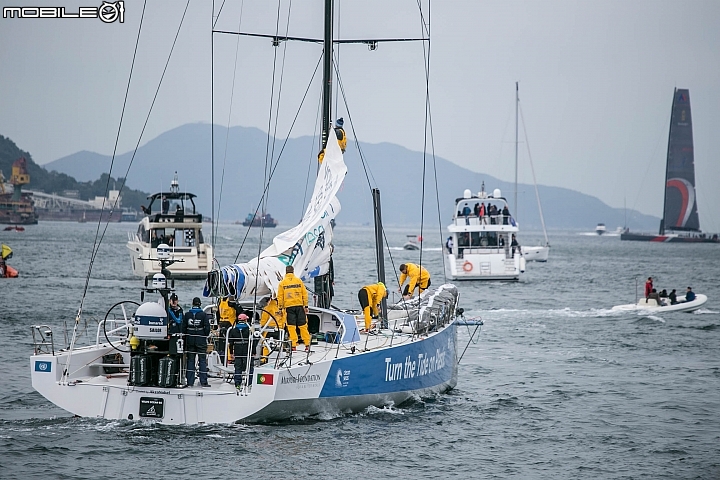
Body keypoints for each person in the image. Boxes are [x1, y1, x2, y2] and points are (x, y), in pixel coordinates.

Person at [277, 266, 311, 352]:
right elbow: (305, 294)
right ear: (293, 271)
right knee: (303, 325)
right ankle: (307, 344)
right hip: (299, 306)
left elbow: (280, 297)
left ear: (286, 272)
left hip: (289, 307)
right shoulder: (299, 281)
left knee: (291, 327)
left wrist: (280, 308)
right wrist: (306, 306)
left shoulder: (282, 283)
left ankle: (293, 345)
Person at [182, 297, 211, 387]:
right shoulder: (203, 315)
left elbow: (183, 328)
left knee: (190, 360)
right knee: (202, 360)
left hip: (190, 339)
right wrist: (204, 335)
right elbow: (207, 328)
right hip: (201, 339)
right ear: (200, 304)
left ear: (192, 304)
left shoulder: (187, 314)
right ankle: (203, 381)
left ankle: (190, 382)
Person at [228, 313, 256, 389]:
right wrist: (254, 352)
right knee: (250, 367)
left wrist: (231, 353)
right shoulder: (249, 329)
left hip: (237, 351)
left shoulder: (233, 330)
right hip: (247, 350)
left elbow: (231, 343)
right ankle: (249, 383)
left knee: (238, 367)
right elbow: (252, 341)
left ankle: (237, 384)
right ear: (245, 320)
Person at [259, 296, 285, 360]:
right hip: (279, 329)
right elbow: (284, 318)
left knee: (266, 344)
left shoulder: (267, 307)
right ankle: (278, 359)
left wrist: (262, 327)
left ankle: (264, 359)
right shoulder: (282, 308)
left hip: (269, 329)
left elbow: (264, 319)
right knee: (279, 344)